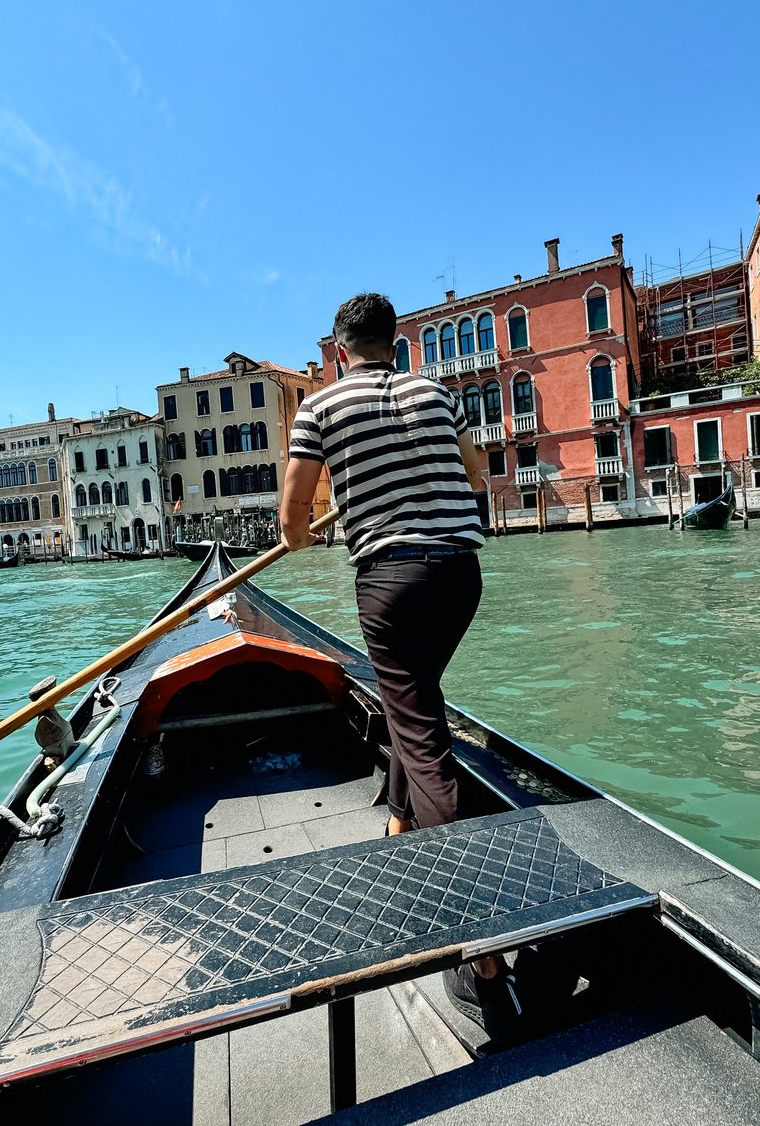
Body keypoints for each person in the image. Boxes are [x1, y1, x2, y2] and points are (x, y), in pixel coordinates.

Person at [280, 292, 501, 1026]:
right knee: (418, 701)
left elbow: (294, 517)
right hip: (460, 575)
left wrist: (303, 535)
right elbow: (475, 476)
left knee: (422, 733)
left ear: (340, 350)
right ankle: (400, 820)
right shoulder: (435, 391)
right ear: (395, 342)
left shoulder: (321, 408)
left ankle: (482, 946)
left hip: (393, 581)